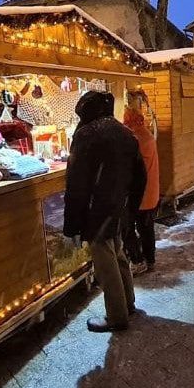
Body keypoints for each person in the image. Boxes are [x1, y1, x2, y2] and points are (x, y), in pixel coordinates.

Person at [64, 91, 146, 333]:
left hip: (97, 212)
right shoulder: (124, 133)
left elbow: (77, 185)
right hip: (119, 208)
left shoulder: (86, 135)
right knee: (119, 255)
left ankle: (117, 316)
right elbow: (141, 176)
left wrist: (72, 227)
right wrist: (131, 208)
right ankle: (128, 303)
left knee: (105, 264)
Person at [121, 95, 159, 275]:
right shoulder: (146, 135)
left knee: (129, 228)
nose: (125, 124)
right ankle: (149, 259)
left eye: (127, 121)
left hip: (141, 194)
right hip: (149, 193)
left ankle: (139, 259)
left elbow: (129, 164)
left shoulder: (138, 139)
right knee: (146, 229)